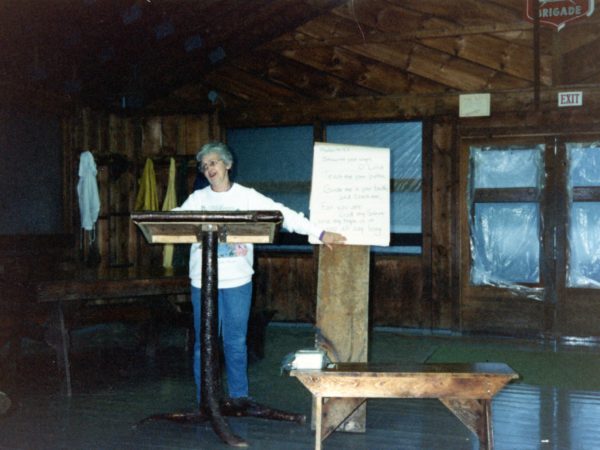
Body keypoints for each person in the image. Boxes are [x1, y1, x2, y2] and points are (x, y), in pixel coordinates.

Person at [176, 141, 345, 404]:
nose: (209, 168)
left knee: (235, 341)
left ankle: (239, 397)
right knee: (203, 345)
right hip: (203, 282)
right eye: (205, 165)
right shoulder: (197, 199)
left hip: (237, 281)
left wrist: (320, 233)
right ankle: (205, 400)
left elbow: (284, 215)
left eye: (214, 162)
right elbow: (174, 221)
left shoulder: (246, 196)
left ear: (228, 164)